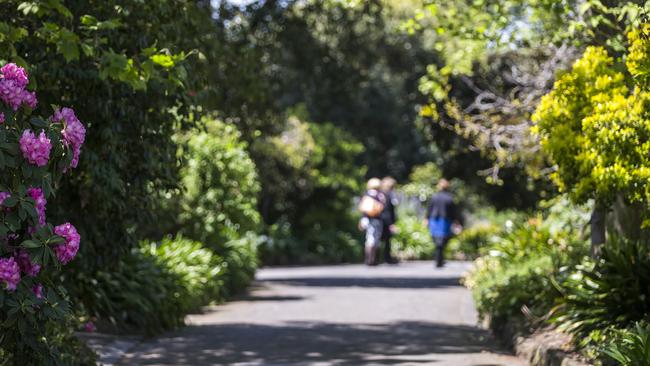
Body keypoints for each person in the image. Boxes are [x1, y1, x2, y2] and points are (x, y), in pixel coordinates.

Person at [424, 179, 461, 268]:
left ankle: (438, 259)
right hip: (445, 221)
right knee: (442, 241)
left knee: (437, 240)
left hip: (435, 220)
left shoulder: (434, 197)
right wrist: (456, 221)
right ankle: (439, 259)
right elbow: (453, 212)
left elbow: (429, 209)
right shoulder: (449, 198)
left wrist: (426, 219)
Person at [358, 178, 386, 266]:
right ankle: (372, 259)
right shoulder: (379, 195)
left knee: (369, 239)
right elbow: (382, 207)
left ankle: (368, 259)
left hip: (365, 219)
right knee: (373, 240)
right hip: (375, 219)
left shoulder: (366, 194)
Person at [380, 177, 398, 264]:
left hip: (382, 220)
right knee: (386, 240)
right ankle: (387, 258)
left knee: (383, 240)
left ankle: (382, 258)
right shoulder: (387, 195)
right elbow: (387, 211)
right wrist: (391, 224)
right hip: (385, 221)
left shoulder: (382, 194)